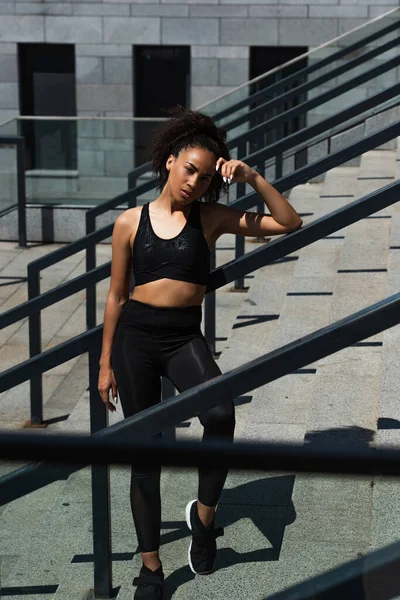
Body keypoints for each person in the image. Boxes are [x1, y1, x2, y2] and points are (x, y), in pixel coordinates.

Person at [98, 107, 302, 599]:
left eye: (206, 176)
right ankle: (151, 570)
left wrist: (250, 174)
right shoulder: (129, 222)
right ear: (170, 161)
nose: (195, 181)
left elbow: (288, 222)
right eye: (190, 168)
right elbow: (116, 295)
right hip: (136, 340)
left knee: (220, 411)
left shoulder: (209, 219)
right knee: (143, 455)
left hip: (183, 337)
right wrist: (105, 362)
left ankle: (204, 521)